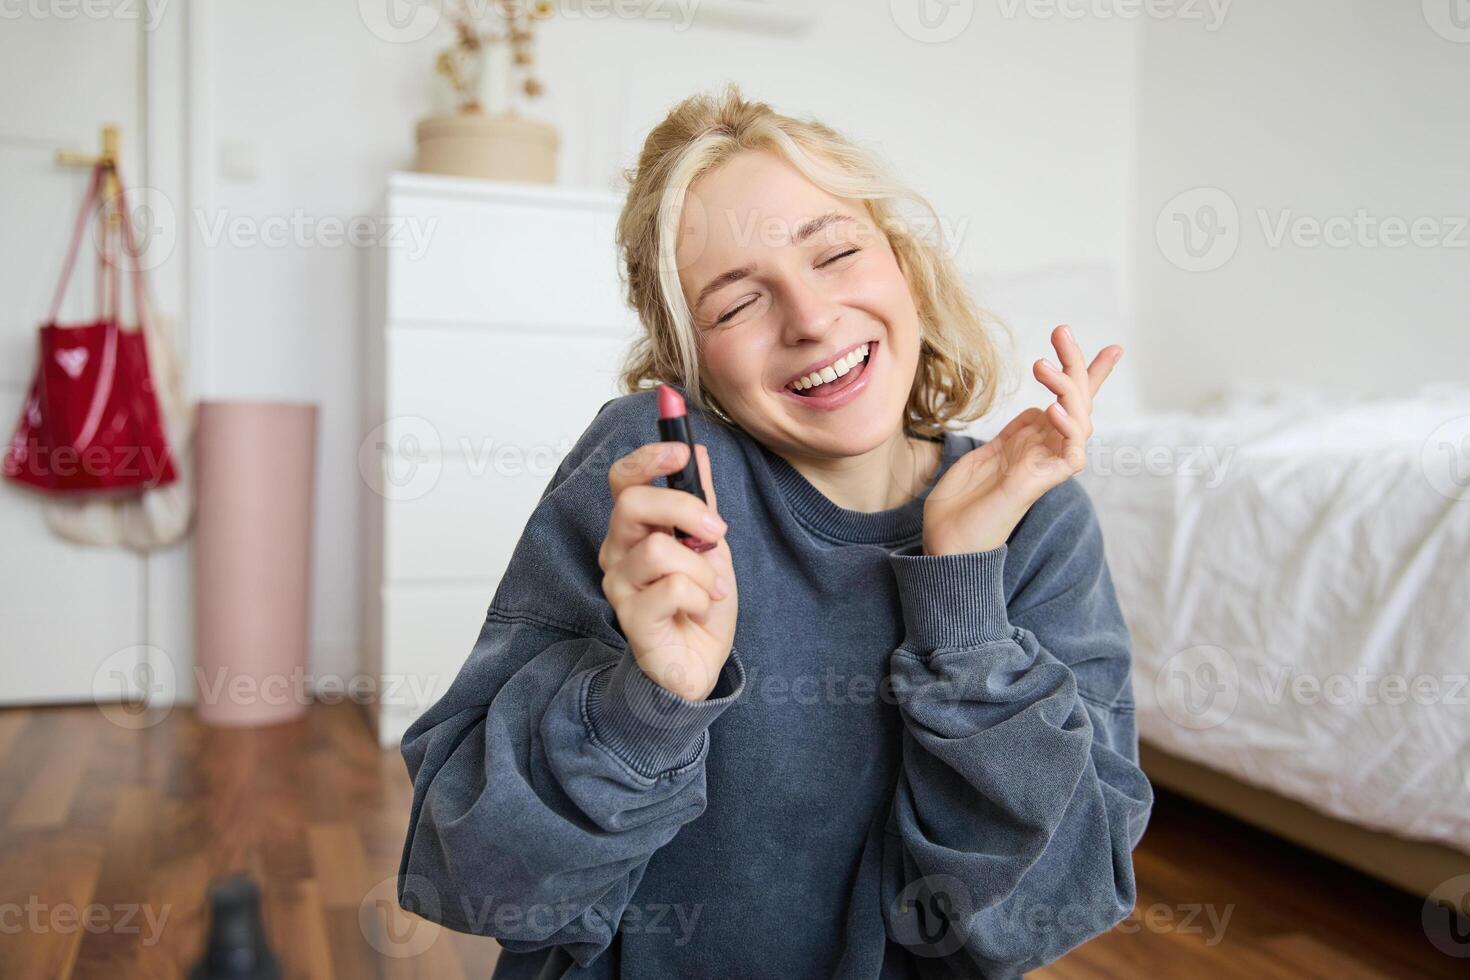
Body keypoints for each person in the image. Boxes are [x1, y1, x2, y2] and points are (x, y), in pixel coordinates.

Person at [397, 83, 1153, 979]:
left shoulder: (1037, 519)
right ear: (688, 358)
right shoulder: (658, 481)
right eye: (734, 305)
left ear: (903, 262)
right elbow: (479, 880)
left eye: (834, 253)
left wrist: (965, 607)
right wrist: (648, 703)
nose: (809, 318)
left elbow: (1048, 911)